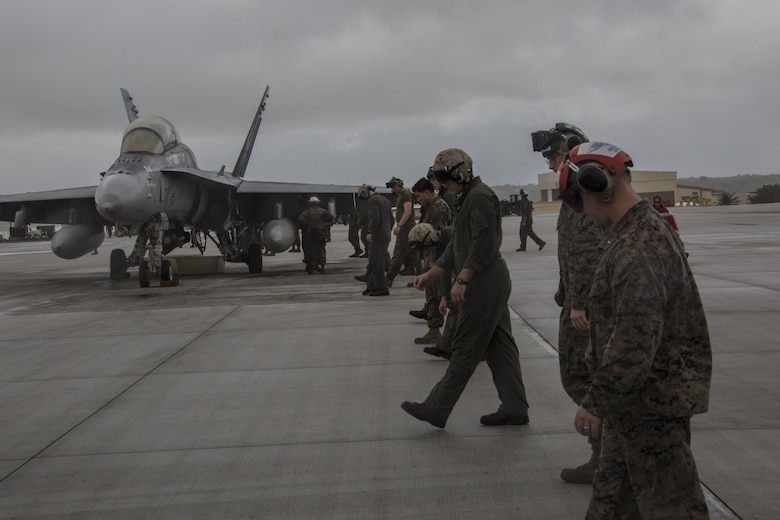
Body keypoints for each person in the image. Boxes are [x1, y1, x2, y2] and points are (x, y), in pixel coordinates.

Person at [557, 141, 712, 518]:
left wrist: (596, 400)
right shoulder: (632, 233)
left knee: (673, 508)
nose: (580, 213)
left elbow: (634, 341)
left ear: (596, 186)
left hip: (652, 409)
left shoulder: (637, 246)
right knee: (610, 505)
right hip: (633, 407)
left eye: (576, 201)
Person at [401, 148, 530, 428]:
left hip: (483, 282)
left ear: (460, 172)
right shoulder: (466, 198)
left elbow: (484, 242)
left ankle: (437, 407)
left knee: (465, 347)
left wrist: (463, 278)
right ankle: (515, 407)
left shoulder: (480, 197)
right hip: (487, 280)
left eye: (445, 179)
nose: (443, 185)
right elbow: (459, 243)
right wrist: (434, 272)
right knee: (500, 346)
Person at [532, 122, 602, 484]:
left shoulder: (584, 195)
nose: (548, 164)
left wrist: (577, 303)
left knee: (583, 377)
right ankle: (607, 456)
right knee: (581, 377)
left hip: (585, 307)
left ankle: (606, 457)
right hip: (578, 301)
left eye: (553, 156)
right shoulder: (572, 194)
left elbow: (587, 253)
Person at [409, 179, 452, 344]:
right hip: (431, 258)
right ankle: (434, 329)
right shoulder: (430, 207)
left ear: (427, 192)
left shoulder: (439, 208)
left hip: (437, 258)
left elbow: (436, 237)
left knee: (436, 294)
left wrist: (433, 266)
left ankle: (436, 330)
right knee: (431, 295)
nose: (418, 200)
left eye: (419, 196)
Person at [408, 222, 456, 359]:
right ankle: (446, 346)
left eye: (426, 249)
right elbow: (443, 272)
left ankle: (449, 347)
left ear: (431, 242)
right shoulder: (439, 244)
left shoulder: (455, 237)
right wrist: (443, 297)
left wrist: (460, 283)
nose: (427, 253)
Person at [357, 184, 393, 296]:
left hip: (378, 234)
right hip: (386, 233)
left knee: (377, 262)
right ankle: (371, 285)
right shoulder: (384, 199)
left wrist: (370, 231)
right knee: (374, 260)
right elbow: (391, 219)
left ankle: (381, 288)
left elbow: (374, 217)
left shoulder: (373, 201)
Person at [384, 177, 416, 287]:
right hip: (404, 229)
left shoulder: (406, 195)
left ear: (398, 185)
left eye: (393, 187)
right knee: (399, 254)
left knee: (413, 254)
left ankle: (389, 279)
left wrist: (400, 225)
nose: (393, 189)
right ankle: (388, 279)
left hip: (406, 228)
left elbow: (408, 211)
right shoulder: (402, 195)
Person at [297, 196, 334, 274]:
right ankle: (323, 267)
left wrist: (306, 226)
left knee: (311, 251)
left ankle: (311, 268)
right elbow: (331, 217)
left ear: (310, 203)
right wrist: (325, 225)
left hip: (311, 234)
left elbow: (300, 219)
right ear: (318, 203)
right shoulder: (323, 211)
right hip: (321, 233)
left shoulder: (307, 212)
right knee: (321, 250)